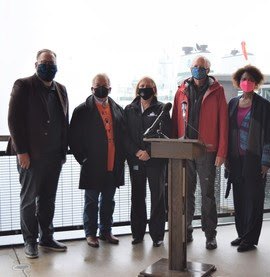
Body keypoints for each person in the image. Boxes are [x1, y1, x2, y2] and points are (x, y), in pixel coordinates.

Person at [7, 49, 69, 258]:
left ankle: (47, 237)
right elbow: (13, 120)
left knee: (48, 199)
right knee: (29, 199)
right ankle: (30, 241)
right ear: (36, 65)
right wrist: (22, 151)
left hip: (54, 157)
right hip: (30, 157)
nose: (48, 66)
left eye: (51, 63)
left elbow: (63, 122)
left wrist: (63, 152)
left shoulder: (61, 89)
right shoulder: (23, 86)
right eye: (44, 63)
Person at [172, 56, 228, 250]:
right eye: (195, 67)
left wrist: (221, 152)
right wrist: (174, 148)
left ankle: (210, 234)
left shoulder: (217, 91)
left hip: (207, 150)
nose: (198, 70)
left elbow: (223, 123)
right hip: (185, 149)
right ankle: (186, 228)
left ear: (208, 69)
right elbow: (174, 120)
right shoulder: (181, 90)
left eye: (202, 67)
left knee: (208, 194)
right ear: (190, 68)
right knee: (185, 193)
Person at [226, 65, 270, 252]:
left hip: (254, 161)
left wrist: (265, 163)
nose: (246, 82)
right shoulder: (232, 103)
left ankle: (250, 239)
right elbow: (226, 132)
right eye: (243, 79)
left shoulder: (264, 106)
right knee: (239, 200)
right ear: (238, 82)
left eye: (250, 79)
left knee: (254, 201)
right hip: (236, 160)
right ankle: (241, 235)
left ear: (256, 83)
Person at [69, 73, 126, 248]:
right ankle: (90, 233)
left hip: (112, 163)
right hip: (92, 165)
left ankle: (106, 230)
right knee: (91, 201)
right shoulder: (81, 110)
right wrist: (84, 159)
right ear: (92, 88)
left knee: (109, 200)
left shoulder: (117, 109)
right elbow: (73, 139)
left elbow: (123, 135)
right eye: (97, 85)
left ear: (110, 87)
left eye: (104, 85)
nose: (101, 88)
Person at [124, 76, 170, 247]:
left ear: (154, 89)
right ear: (137, 89)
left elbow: (166, 132)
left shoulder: (162, 109)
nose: (144, 88)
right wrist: (137, 151)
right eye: (141, 86)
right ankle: (137, 233)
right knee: (137, 196)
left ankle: (157, 235)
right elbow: (125, 134)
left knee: (157, 197)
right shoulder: (129, 109)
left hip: (155, 160)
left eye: (148, 86)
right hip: (135, 159)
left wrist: (149, 152)